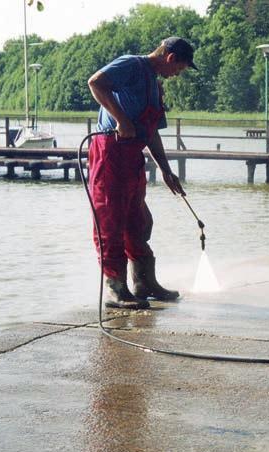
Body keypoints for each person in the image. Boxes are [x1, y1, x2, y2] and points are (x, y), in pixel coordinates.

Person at [87, 37, 196, 309]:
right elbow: (96, 83)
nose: (177, 75)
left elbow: (151, 132)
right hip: (110, 152)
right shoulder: (132, 65)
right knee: (110, 222)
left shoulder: (155, 86)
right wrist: (122, 120)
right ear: (170, 58)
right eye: (179, 69)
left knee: (139, 221)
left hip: (132, 159)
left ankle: (144, 283)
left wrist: (167, 170)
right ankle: (116, 290)